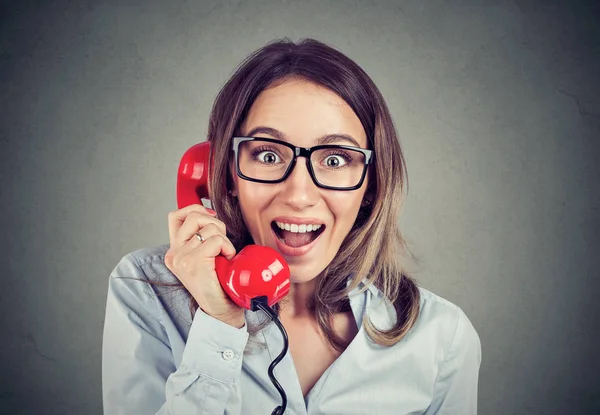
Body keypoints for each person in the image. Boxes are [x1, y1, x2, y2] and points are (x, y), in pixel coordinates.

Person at [102, 38, 481, 414]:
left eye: (335, 160)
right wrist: (219, 325)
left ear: (372, 183)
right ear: (227, 173)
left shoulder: (441, 338)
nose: (299, 195)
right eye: (267, 154)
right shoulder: (145, 292)